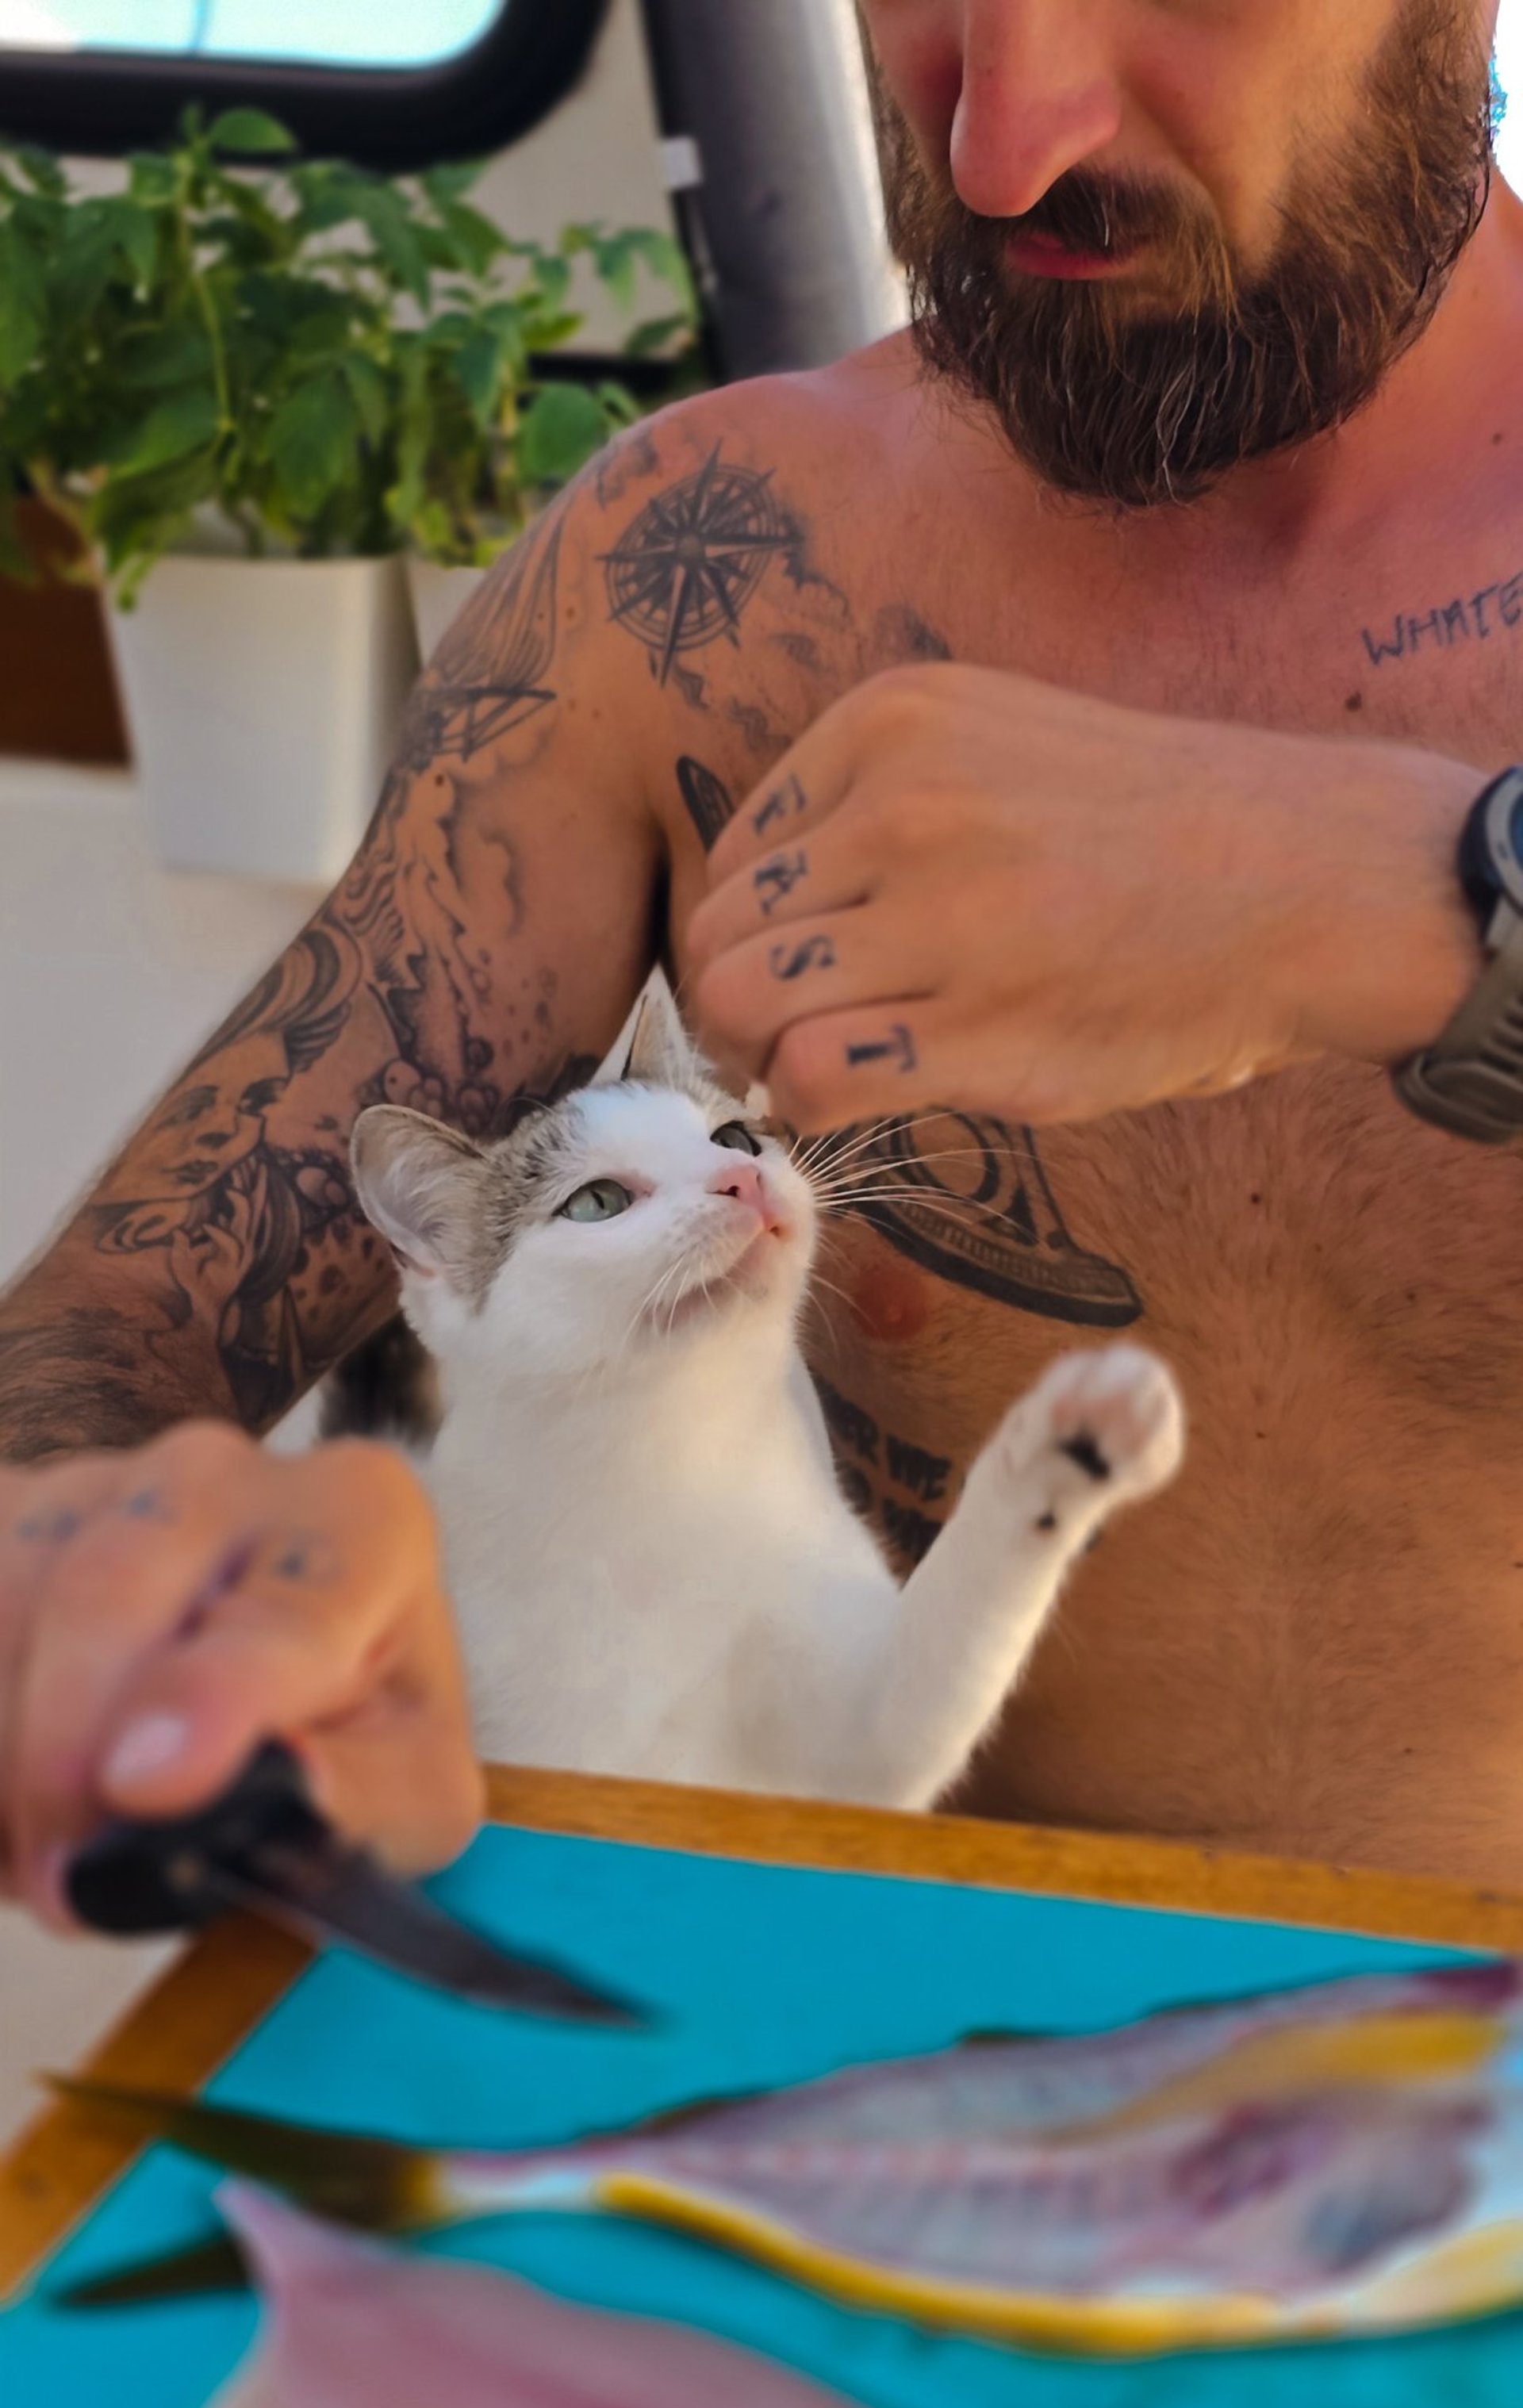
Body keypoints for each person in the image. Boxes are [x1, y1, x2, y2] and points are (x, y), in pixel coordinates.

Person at [3, 0, 1521, 1919]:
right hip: (852, 2055)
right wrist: (86, 1572)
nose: (1000, 142)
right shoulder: (692, 584)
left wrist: (1418, 892)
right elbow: (113, 1329)